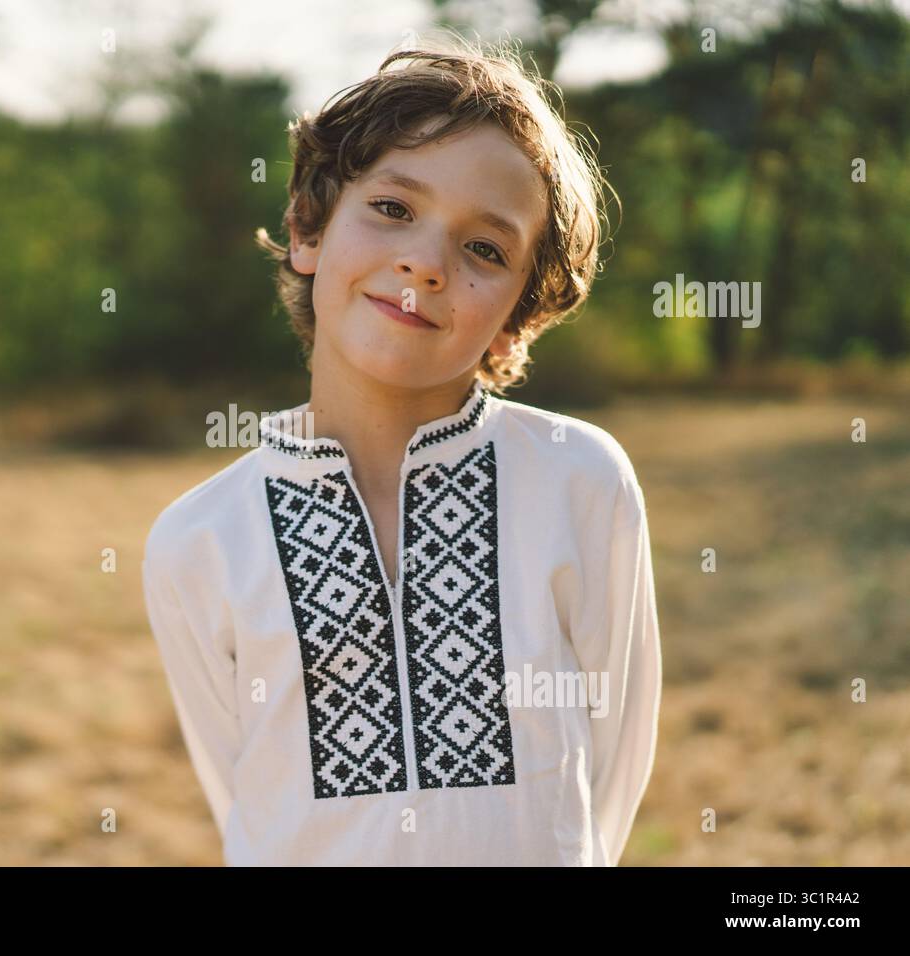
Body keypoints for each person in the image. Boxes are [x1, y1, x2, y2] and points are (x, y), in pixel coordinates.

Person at [141, 33, 661, 866]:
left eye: (484, 249)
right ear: (309, 231)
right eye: (393, 209)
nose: (424, 264)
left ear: (517, 315)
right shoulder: (196, 541)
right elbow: (245, 803)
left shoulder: (580, 479)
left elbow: (615, 767)